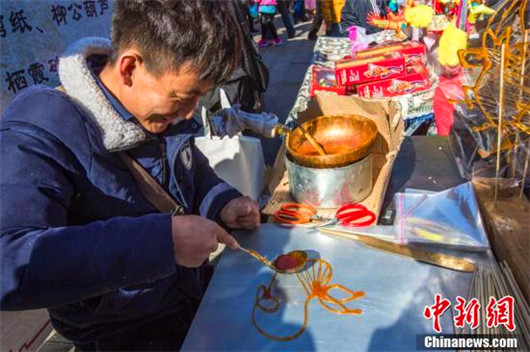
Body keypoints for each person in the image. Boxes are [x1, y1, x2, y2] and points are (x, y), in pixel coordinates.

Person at [0, 1, 260, 351]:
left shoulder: (156, 108)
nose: (189, 114)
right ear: (130, 68)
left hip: (191, 304)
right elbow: (8, 260)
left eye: (199, 97)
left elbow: (190, 171)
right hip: (119, 335)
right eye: (184, 97)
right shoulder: (40, 127)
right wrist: (160, 243)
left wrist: (222, 202)